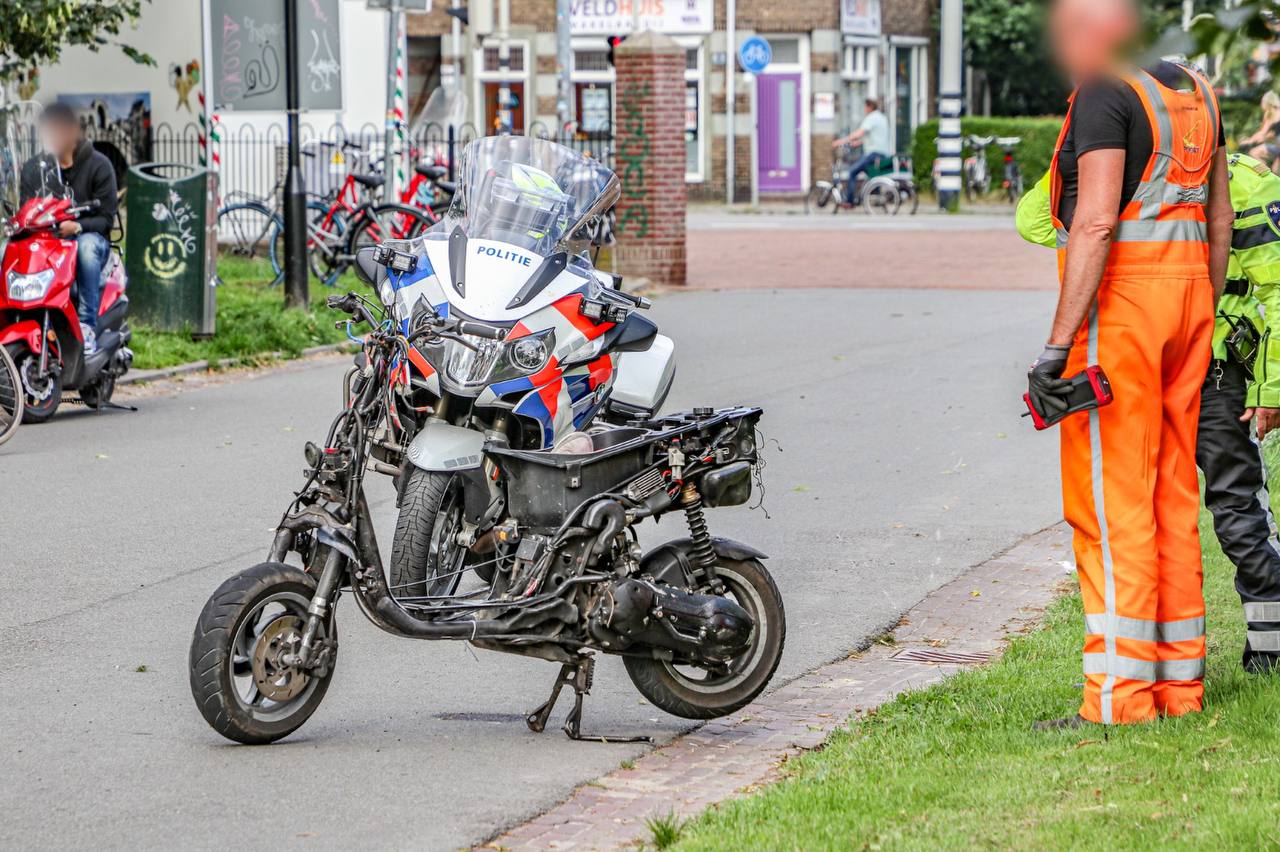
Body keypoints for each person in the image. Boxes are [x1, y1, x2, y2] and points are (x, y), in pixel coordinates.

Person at [1025, 0, 1232, 728]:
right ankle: (1178, 685)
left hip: (1121, 312)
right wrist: (1202, 312)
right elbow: (1218, 218)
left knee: (1111, 505)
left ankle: (1118, 700)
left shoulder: (1106, 92)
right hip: (1189, 303)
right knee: (1172, 492)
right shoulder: (1197, 92)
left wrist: (1058, 347)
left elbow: (1095, 221)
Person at [1019, 151, 1280, 678]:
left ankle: (1271, 645)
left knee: (1237, 511)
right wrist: (1084, 157)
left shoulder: (1243, 182)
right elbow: (1034, 221)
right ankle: (1152, 662)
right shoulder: (1116, 172)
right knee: (1140, 512)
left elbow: (1276, 288)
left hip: (1215, 373)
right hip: (1138, 369)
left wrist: (1271, 385)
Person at [19, 103, 118, 353]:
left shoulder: (99, 165)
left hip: (88, 238)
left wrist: (77, 226)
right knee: (4, 252)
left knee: (86, 247)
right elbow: (25, 209)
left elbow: (106, 219)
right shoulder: (35, 168)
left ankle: (86, 326)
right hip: (47, 240)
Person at [831, 97, 892, 203]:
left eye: (865, 107)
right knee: (869, 173)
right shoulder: (882, 117)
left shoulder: (872, 117)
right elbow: (874, 137)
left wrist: (840, 142)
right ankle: (875, 194)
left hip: (873, 153)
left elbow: (859, 133)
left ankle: (849, 201)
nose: (864, 110)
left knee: (852, 172)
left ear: (869, 107)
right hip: (882, 152)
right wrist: (856, 143)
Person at [1240, 90, 1280, 171]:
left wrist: (1250, 141)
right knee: (1255, 152)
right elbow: (1263, 133)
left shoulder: (1275, 113)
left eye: (1263, 102)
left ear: (1268, 102)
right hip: (1276, 145)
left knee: (1254, 153)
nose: (1261, 104)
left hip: (1278, 146)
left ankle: (1266, 172)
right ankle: (1267, 171)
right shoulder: (1269, 114)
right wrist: (1250, 140)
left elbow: (1265, 134)